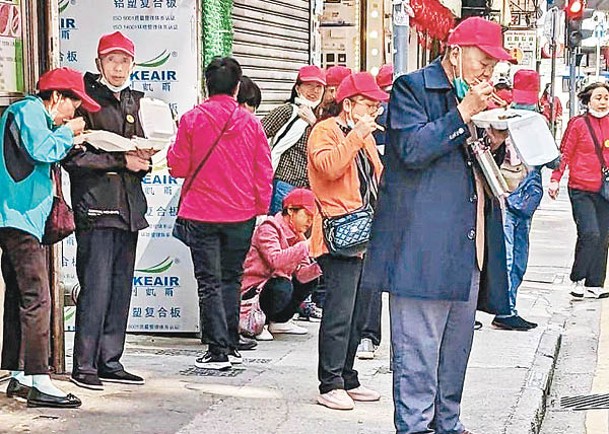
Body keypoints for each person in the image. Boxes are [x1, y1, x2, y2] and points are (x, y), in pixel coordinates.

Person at [361, 17, 512, 433]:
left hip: (467, 245)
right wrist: (463, 114)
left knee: (454, 353)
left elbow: (467, 167)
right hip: (421, 247)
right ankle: (414, 427)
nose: (488, 72)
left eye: (494, 65)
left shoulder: (475, 99)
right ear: (456, 52)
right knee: (417, 353)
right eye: (484, 61)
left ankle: (449, 423)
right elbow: (410, 150)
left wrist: (494, 143)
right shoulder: (413, 88)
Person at [0, 67, 99, 408]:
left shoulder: (32, 117)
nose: (75, 114)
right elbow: (40, 151)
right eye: (74, 105)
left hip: (20, 218)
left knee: (19, 295)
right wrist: (69, 133)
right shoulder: (27, 110)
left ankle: (18, 373)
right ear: (57, 97)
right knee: (38, 298)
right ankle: (40, 381)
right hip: (19, 217)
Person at [167, 57, 273, 370]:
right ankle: (230, 341)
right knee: (231, 278)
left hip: (201, 214)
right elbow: (263, 170)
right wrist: (261, 210)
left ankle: (217, 350)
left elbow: (177, 166)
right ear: (238, 87)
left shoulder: (191, 119)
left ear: (206, 85)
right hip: (240, 214)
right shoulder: (251, 123)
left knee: (209, 281)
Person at [64, 31, 152, 390]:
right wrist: (119, 160)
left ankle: (110, 359)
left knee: (119, 288)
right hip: (97, 207)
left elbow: (140, 146)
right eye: (112, 60)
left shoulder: (133, 100)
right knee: (96, 287)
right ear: (99, 63)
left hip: (129, 207)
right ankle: (83, 365)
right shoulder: (86, 101)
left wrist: (145, 158)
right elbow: (72, 155)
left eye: (125, 61)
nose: (118, 67)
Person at [308, 72, 385, 410]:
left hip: (366, 232)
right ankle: (330, 382)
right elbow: (328, 168)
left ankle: (349, 377)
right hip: (338, 234)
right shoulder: (323, 131)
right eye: (368, 104)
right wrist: (356, 135)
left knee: (359, 311)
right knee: (339, 311)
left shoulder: (362, 133)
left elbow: (377, 175)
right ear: (349, 103)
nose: (373, 111)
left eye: (375, 106)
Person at [549, 82, 609, 300]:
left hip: (605, 189)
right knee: (590, 233)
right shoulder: (578, 124)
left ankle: (595, 283)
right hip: (580, 188)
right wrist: (555, 179)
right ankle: (578, 279)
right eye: (598, 98)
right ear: (588, 100)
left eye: (606, 98)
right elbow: (564, 154)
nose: (602, 102)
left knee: (603, 237)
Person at [493, 69, 542, 331]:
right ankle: (505, 309)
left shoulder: (537, 121)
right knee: (509, 255)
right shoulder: (502, 118)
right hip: (505, 193)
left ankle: (508, 305)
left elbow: (549, 157)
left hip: (525, 198)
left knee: (518, 256)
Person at [241, 188, 320, 341]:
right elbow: (275, 260)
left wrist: (321, 266)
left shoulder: (299, 236)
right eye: (307, 216)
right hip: (254, 290)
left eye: (313, 218)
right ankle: (260, 323)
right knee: (282, 285)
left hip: (274, 286)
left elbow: (303, 276)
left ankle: (280, 321)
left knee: (310, 280)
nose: (310, 222)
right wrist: (307, 246)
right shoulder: (269, 227)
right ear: (290, 210)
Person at [355, 63, 393, 361]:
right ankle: (361, 336)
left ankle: (367, 334)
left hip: (374, 208)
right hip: (345, 215)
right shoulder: (329, 129)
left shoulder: (376, 126)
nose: (377, 109)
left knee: (369, 274)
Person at [262, 65, 326, 214]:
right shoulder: (288, 111)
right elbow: (258, 133)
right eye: (309, 85)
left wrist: (314, 123)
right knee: (281, 231)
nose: (314, 91)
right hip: (286, 184)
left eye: (319, 86)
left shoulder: (322, 117)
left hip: (310, 189)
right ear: (297, 88)